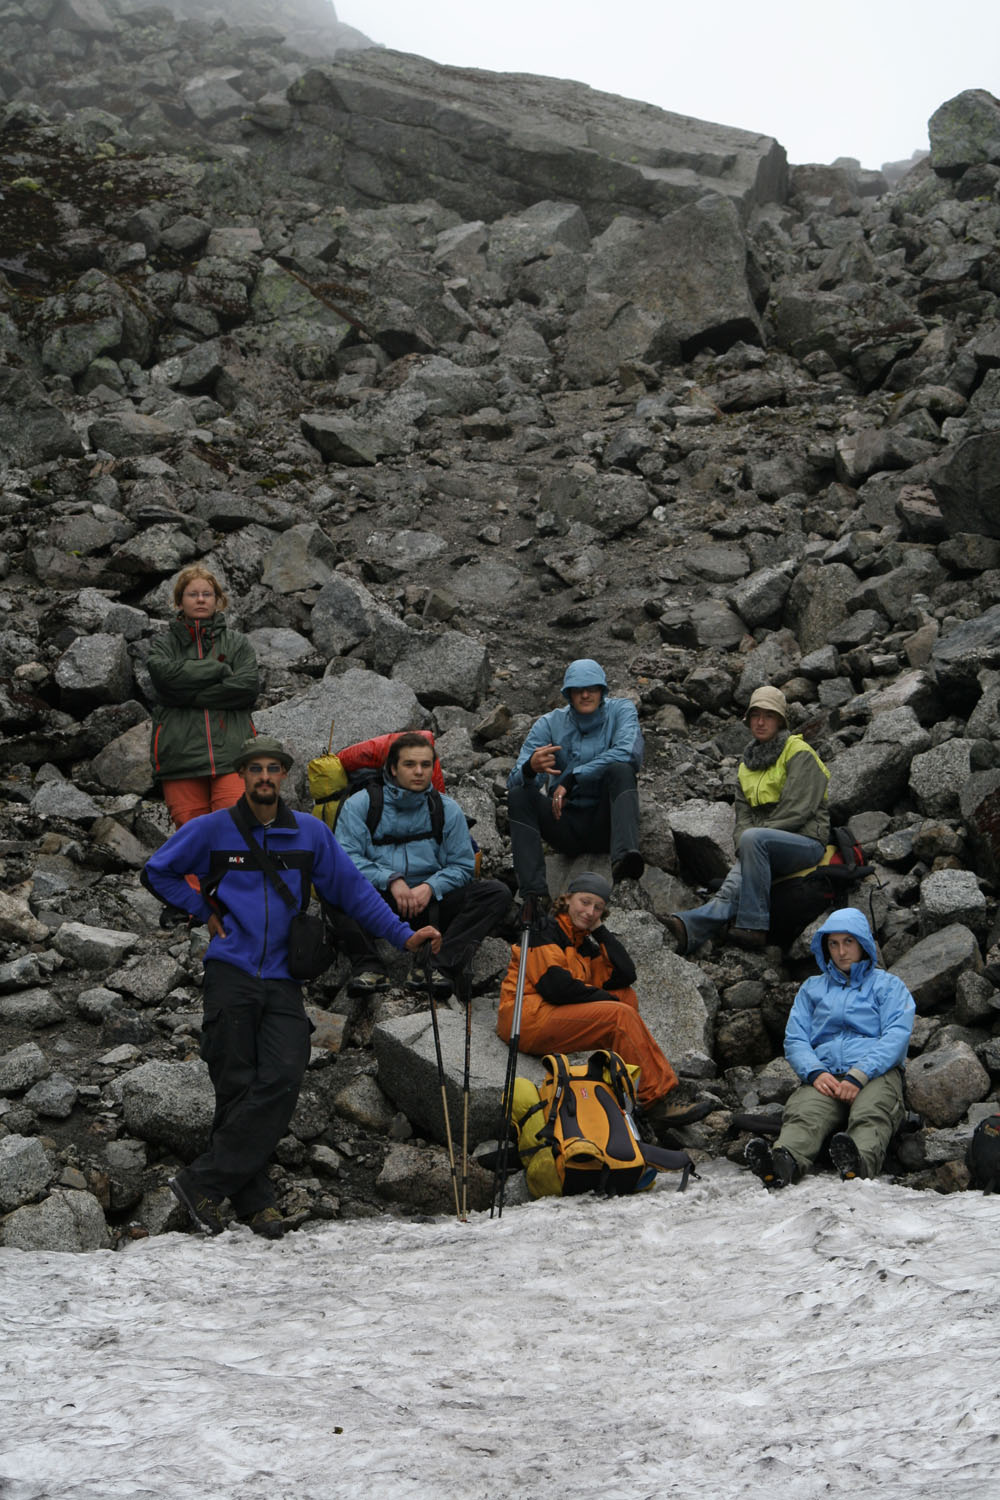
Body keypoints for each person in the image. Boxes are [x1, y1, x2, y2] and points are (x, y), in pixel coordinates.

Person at [142, 735, 441, 1239]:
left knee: (283, 1074)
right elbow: (158, 871)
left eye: (273, 769)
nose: (263, 777)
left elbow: (354, 893)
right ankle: (255, 1204)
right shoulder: (212, 830)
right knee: (236, 1087)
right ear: (242, 776)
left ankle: (201, 1182)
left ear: (284, 775)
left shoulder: (308, 834)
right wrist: (202, 911)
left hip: (282, 978)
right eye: (254, 769)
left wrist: (405, 935)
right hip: (230, 974)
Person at [496, 871, 713, 1128]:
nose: (589, 911)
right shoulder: (544, 930)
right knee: (618, 1015)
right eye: (584, 902)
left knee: (625, 997)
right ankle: (654, 1101)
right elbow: (555, 987)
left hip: (548, 1014)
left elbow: (624, 974)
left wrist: (599, 930)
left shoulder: (581, 943)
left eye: (598, 907)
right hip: (524, 1019)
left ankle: (624, 1082)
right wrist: (608, 1001)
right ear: (566, 900)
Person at [332, 732, 512, 998]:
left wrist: (430, 886)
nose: (419, 772)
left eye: (426, 765)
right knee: (332, 888)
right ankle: (368, 966)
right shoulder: (361, 805)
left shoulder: (446, 809)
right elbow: (346, 861)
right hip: (379, 901)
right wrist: (391, 880)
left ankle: (436, 966)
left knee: (496, 893)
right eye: (409, 765)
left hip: (431, 904)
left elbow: (463, 866)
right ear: (392, 768)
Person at [744, 907, 915, 1188]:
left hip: (874, 1073)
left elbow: (896, 1037)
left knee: (872, 1112)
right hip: (825, 1074)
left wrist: (859, 1074)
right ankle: (781, 1164)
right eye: (833, 944)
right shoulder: (812, 988)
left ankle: (858, 1165)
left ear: (863, 944)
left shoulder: (889, 986)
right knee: (804, 1113)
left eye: (848, 942)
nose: (841, 951)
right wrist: (814, 1073)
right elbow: (796, 1039)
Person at [668, 685, 830, 954]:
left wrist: (752, 840)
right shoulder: (747, 765)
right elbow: (742, 815)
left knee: (753, 840)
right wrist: (744, 843)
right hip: (764, 843)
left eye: (769, 715)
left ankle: (754, 925)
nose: (761, 721)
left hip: (806, 841)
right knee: (736, 877)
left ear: (780, 720)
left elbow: (796, 811)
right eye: (755, 715)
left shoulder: (798, 752)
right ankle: (689, 929)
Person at [507, 658, 644, 908]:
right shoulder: (549, 724)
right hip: (565, 822)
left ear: (602, 691)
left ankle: (624, 862)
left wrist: (573, 776)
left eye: (591, 688)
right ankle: (534, 895)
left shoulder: (621, 710)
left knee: (621, 770)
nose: (585, 694)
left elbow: (629, 752)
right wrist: (530, 768)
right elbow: (514, 779)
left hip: (606, 821)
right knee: (518, 795)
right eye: (578, 689)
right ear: (568, 694)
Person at [147, 565, 259, 830]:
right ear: (179, 601)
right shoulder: (164, 645)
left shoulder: (237, 643)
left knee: (236, 831)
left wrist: (185, 694)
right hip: (180, 758)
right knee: (192, 841)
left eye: (207, 594)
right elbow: (163, 678)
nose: (200, 599)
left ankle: (234, 875)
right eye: (192, 594)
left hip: (233, 755)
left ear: (218, 600)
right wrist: (218, 670)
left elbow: (246, 687)